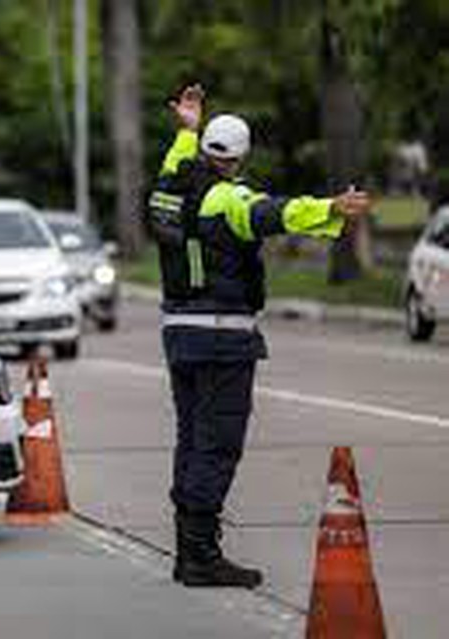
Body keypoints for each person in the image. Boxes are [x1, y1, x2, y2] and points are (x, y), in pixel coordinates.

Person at [147, 85, 372, 588]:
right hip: (222, 337)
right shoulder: (229, 197)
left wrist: (186, 129)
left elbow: (175, 162)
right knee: (217, 445)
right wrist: (331, 207)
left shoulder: (168, 189)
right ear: (242, 157)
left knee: (191, 440)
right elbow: (274, 213)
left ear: (204, 148)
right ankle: (201, 555)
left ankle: (189, 551)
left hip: (178, 333)